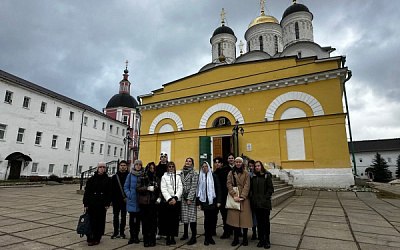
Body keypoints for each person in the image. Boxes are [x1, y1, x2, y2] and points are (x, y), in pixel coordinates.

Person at [83, 162, 111, 246]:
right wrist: (85, 204)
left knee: (100, 221)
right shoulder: (91, 179)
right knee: (91, 221)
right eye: (100, 167)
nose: (102, 169)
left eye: (103, 167)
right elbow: (87, 192)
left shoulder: (108, 180)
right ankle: (90, 237)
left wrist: (107, 203)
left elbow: (109, 192)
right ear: (97, 168)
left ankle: (97, 237)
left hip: (101, 203)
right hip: (92, 203)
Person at [226, 157, 252, 247]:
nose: (238, 163)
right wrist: (234, 195)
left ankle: (245, 238)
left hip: (244, 199)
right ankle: (236, 238)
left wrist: (242, 196)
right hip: (234, 198)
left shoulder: (246, 174)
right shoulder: (231, 173)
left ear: (242, 163)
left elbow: (247, 185)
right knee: (235, 221)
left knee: (245, 221)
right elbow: (228, 184)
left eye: (239, 162)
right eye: (236, 162)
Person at [250, 161, 274, 249]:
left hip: (265, 204)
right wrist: (252, 197)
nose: (256, 167)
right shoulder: (253, 177)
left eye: (258, 166)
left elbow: (270, 189)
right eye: (255, 166)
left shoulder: (266, 176)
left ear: (261, 166)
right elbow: (251, 189)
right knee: (259, 223)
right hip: (256, 204)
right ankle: (261, 240)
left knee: (265, 222)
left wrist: (265, 198)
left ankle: (267, 240)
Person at [136, 162, 161, 247]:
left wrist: (159, 198)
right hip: (144, 203)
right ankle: (146, 239)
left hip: (153, 203)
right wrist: (147, 188)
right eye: (150, 168)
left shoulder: (156, 178)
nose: (152, 170)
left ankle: (152, 239)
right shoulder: (142, 178)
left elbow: (159, 189)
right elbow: (138, 188)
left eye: (153, 168)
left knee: (153, 222)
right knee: (145, 222)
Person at [197, 161, 222, 246]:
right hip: (205, 201)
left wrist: (219, 201)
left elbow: (218, 189)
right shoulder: (200, 177)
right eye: (203, 167)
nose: (204, 168)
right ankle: (207, 238)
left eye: (206, 166)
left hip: (213, 201)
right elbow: (198, 191)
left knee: (213, 220)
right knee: (207, 220)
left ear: (208, 167)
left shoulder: (214, 177)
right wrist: (198, 203)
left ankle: (211, 236)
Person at [159, 161, 183, 245]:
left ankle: (173, 237)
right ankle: (168, 237)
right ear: (167, 168)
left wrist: (175, 198)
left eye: (173, 166)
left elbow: (180, 188)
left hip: (176, 200)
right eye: (170, 167)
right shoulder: (164, 177)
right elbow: (163, 188)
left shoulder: (178, 177)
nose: (171, 168)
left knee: (175, 220)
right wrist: (169, 199)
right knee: (167, 220)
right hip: (167, 201)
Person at [124, 160, 144, 244]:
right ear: (134, 166)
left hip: (140, 201)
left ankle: (136, 236)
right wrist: (129, 195)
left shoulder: (143, 175)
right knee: (132, 220)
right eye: (137, 165)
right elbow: (126, 186)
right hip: (132, 200)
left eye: (140, 165)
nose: (138, 166)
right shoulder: (130, 175)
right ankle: (132, 236)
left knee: (138, 221)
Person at [180, 157, 199, 245]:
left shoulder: (194, 173)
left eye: (189, 161)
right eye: (186, 161)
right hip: (183, 197)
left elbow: (194, 187)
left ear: (192, 163)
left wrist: (189, 198)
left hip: (190, 198)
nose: (187, 162)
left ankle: (194, 237)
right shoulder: (181, 172)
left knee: (191, 217)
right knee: (185, 217)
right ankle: (185, 234)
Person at [213, 156, 232, 239]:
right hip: (216, 196)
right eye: (215, 162)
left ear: (221, 163)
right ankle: (212, 230)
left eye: (218, 162)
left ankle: (227, 231)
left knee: (225, 215)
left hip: (224, 196)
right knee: (214, 214)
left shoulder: (226, 171)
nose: (217, 164)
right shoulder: (214, 173)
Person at [111, 160, 129, 239]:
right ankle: (115, 232)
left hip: (124, 200)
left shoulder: (128, 176)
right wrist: (111, 200)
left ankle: (122, 232)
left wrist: (127, 197)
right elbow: (111, 189)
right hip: (116, 200)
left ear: (126, 166)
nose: (123, 167)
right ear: (119, 166)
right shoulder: (115, 177)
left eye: (124, 165)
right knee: (115, 217)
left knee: (123, 217)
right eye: (121, 165)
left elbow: (130, 188)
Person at [155, 152, 168, 240]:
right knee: (158, 215)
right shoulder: (157, 168)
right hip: (159, 193)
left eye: (165, 157)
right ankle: (159, 232)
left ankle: (166, 231)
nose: (163, 158)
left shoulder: (169, 167)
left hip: (167, 193)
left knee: (166, 214)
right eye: (162, 157)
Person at [247, 159, 258, 240]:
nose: (251, 167)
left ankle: (257, 233)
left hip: (256, 198)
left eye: (252, 166)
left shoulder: (257, 175)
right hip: (249, 198)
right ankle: (253, 232)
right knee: (251, 216)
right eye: (249, 166)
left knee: (256, 216)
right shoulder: (247, 174)